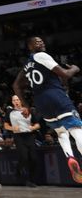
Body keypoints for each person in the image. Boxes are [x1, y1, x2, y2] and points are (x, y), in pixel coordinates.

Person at [14, 35, 82, 184]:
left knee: (61, 132)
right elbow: (64, 74)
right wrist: (75, 69)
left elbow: (16, 86)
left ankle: (69, 156)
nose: (41, 42)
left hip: (41, 103)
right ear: (30, 47)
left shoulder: (27, 65)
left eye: (42, 40)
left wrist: (26, 104)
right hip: (55, 97)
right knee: (77, 130)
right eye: (37, 42)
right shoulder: (41, 55)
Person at [4, 95, 39, 187]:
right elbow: (5, 125)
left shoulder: (28, 110)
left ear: (21, 101)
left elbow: (37, 124)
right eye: (14, 100)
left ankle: (31, 180)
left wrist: (33, 127)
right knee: (24, 157)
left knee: (33, 158)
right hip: (18, 136)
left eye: (18, 99)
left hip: (30, 136)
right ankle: (18, 171)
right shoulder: (10, 112)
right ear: (12, 102)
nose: (16, 101)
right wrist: (12, 128)